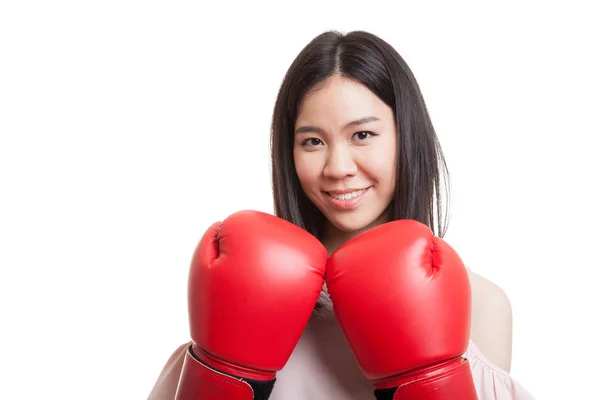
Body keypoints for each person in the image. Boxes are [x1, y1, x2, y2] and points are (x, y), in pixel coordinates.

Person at [147, 30, 536, 400]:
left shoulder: (481, 305)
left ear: (406, 135)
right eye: (312, 141)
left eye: (362, 135)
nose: (338, 167)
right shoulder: (243, 286)